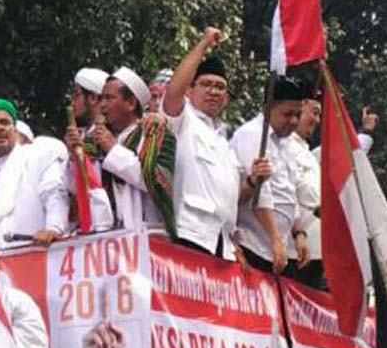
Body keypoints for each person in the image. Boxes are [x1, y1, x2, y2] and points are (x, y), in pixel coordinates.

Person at [160, 27, 271, 260]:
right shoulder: (183, 121)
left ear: (227, 98)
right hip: (189, 235)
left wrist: (252, 180)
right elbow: (172, 93)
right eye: (206, 84)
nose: (213, 91)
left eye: (220, 87)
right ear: (190, 90)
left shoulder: (224, 142)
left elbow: (235, 197)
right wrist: (203, 44)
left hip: (222, 244)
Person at [0, 97, 69, 246]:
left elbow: (54, 195)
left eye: (5, 122)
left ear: (14, 129)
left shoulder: (38, 156)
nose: (0, 128)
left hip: (29, 254)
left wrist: (54, 229)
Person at [230, 75, 311, 274]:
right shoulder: (252, 135)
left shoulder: (287, 143)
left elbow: (288, 193)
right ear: (267, 109)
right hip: (254, 245)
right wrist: (275, 239)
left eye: (298, 115)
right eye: (287, 114)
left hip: (276, 249)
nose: (293, 121)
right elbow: (260, 193)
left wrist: (298, 233)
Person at [94, 67, 178, 236]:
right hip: (108, 239)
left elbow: (155, 183)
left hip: (148, 239)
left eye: (109, 98)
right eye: (102, 98)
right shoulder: (96, 140)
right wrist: (76, 158)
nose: (102, 105)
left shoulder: (156, 133)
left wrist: (113, 150)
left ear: (131, 103)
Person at [63, 67, 115, 232]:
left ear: (92, 98)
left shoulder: (113, 133)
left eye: (77, 94)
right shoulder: (84, 137)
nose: (72, 102)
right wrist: (73, 156)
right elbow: (74, 188)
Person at [283, 94, 325, 287]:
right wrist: (299, 234)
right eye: (314, 113)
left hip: (316, 252)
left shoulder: (307, 153)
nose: (316, 120)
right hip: (296, 251)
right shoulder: (286, 146)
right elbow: (291, 193)